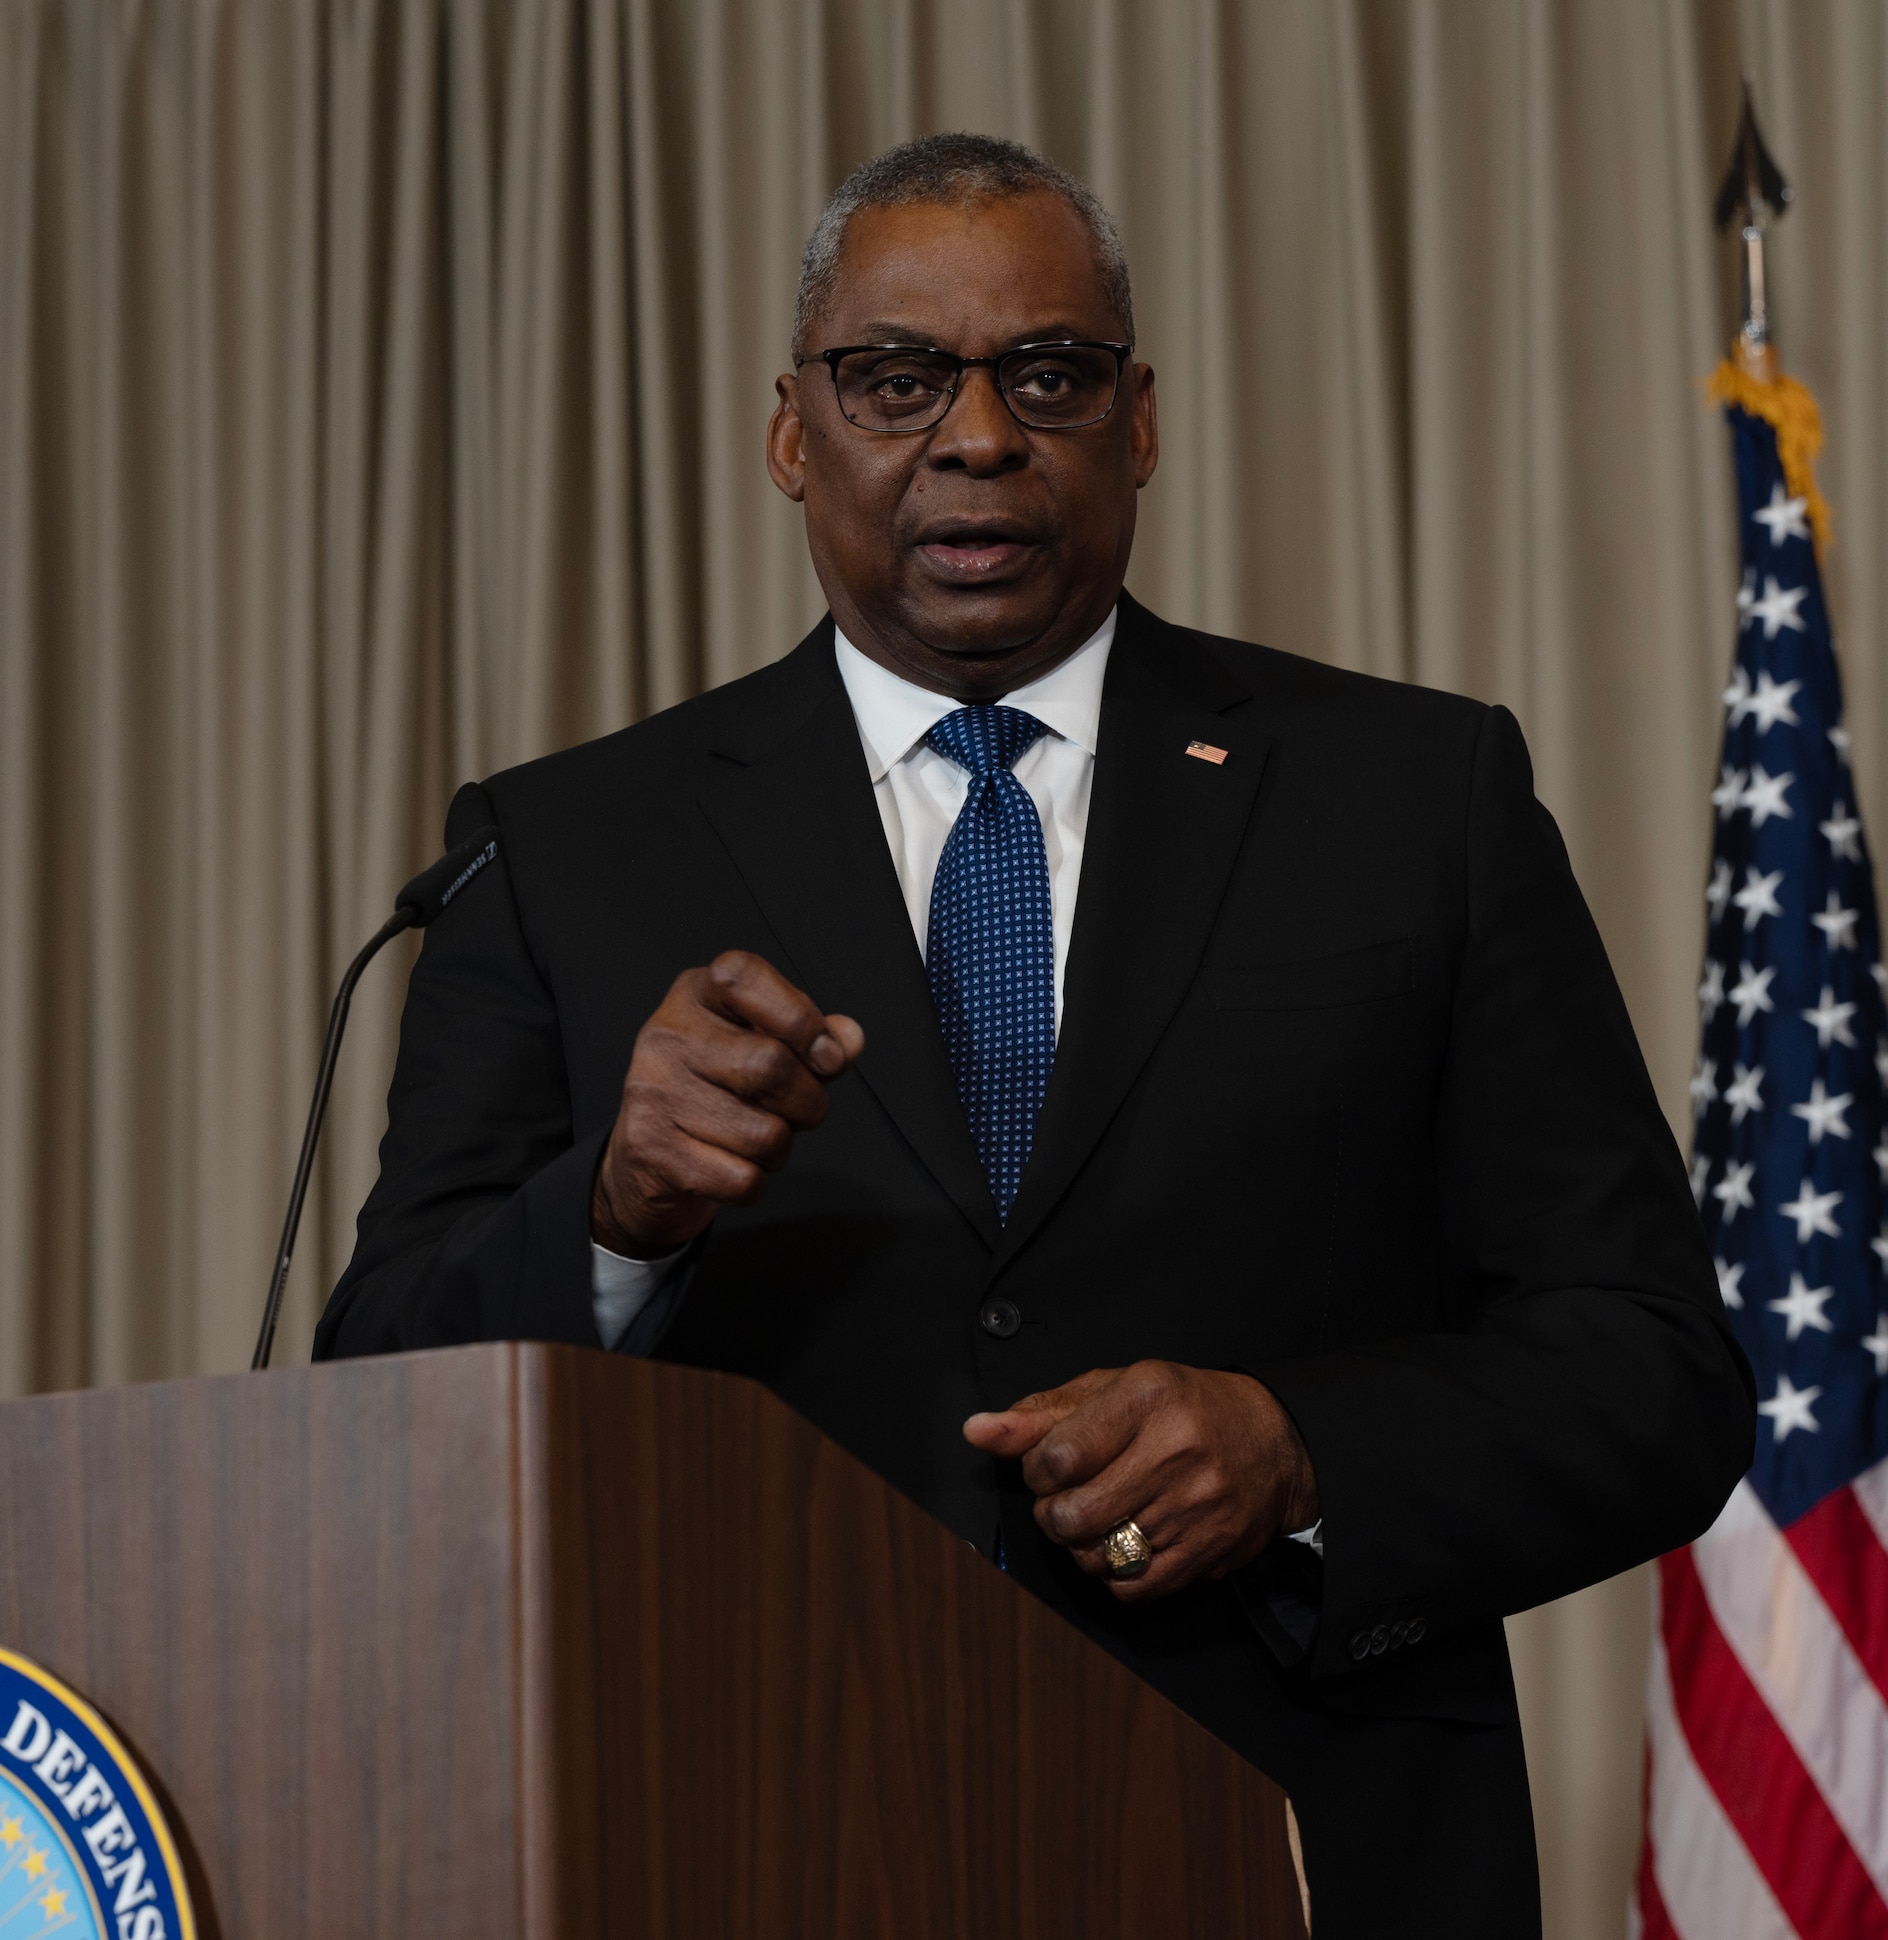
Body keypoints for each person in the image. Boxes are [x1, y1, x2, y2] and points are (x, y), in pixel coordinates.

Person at [316, 133, 1754, 1932]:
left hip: (1302, 1852)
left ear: (1137, 424)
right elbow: (375, 1392)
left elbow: (1653, 1374)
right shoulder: (560, 850)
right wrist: (609, 1217)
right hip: (737, 1844)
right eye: (897, 378)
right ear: (792, 435)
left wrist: (1302, 1447)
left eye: (1048, 375)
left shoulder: (1411, 797)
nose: (979, 436)